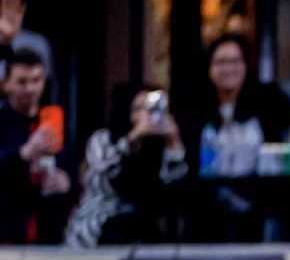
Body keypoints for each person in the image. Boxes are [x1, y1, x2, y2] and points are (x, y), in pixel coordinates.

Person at [64, 86, 187, 248]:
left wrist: (174, 145)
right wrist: (132, 138)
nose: (147, 115)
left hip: (143, 228)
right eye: (139, 109)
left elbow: (174, 190)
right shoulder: (103, 138)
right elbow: (104, 167)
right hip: (97, 225)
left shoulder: (160, 145)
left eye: (152, 109)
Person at [186, 34, 290, 178]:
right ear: (209, 68)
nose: (228, 68)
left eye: (235, 61)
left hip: (262, 192)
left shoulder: (268, 98)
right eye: (221, 62)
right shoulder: (195, 106)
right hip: (209, 192)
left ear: (245, 65)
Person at [0, 47, 69, 243]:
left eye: (36, 81)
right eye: (21, 82)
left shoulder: (53, 120)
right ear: (6, 84)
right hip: (7, 229)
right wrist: (24, 153)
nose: (30, 89)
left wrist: (66, 182)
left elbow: (70, 164)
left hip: (49, 229)